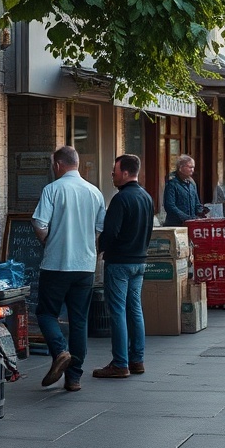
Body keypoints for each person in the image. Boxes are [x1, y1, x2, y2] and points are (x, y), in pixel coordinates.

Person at [32, 146, 106, 393]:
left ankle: (60, 351)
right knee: (79, 320)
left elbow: (39, 223)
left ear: (58, 165)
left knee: (46, 313)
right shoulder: (94, 192)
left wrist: (47, 240)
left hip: (56, 264)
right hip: (84, 265)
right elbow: (99, 228)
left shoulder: (52, 189)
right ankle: (74, 378)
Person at [93, 154, 153, 380]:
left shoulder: (120, 200)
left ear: (126, 173)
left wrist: (100, 251)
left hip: (119, 262)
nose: (112, 175)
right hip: (139, 261)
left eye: (115, 171)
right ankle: (137, 359)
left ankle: (120, 363)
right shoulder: (146, 197)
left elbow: (110, 232)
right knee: (134, 309)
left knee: (117, 311)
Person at [162, 155, 207, 226]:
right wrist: (186, 218)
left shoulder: (192, 184)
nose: (192, 170)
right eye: (190, 167)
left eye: (193, 167)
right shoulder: (172, 184)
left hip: (191, 224)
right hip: (176, 224)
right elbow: (170, 206)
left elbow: (197, 203)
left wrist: (202, 212)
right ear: (180, 167)